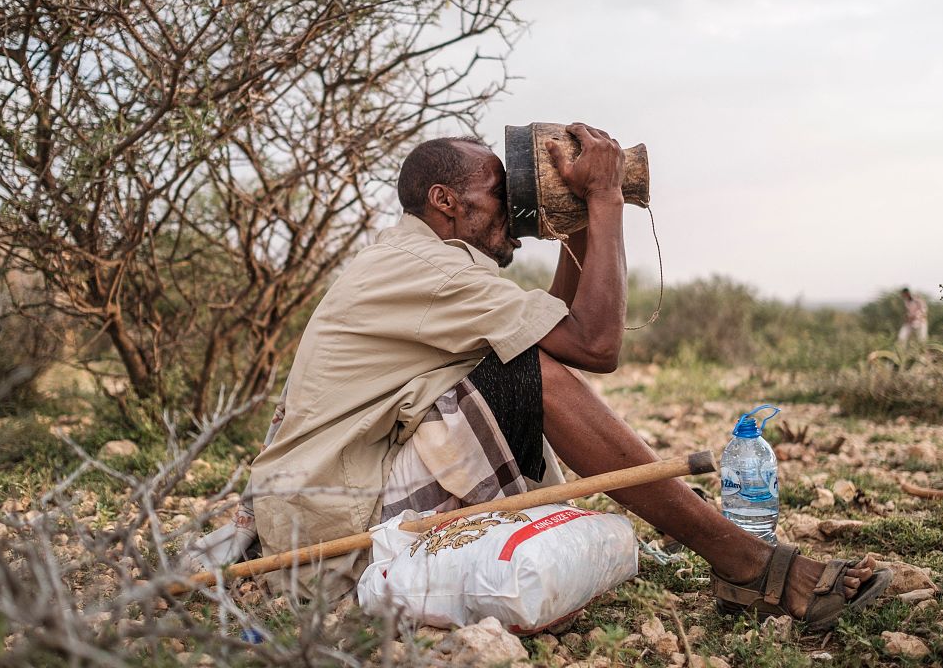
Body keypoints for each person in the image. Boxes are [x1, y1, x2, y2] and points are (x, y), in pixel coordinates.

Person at [188, 123, 891, 630]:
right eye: (502, 197)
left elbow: (553, 318)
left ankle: (740, 559)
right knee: (538, 374)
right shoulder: (430, 272)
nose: (517, 220)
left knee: (526, 362)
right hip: (331, 518)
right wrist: (606, 201)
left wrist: (572, 218)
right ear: (445, 201)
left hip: (331, 493)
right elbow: (593, 343)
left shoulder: (420, 261)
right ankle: (748, 565)